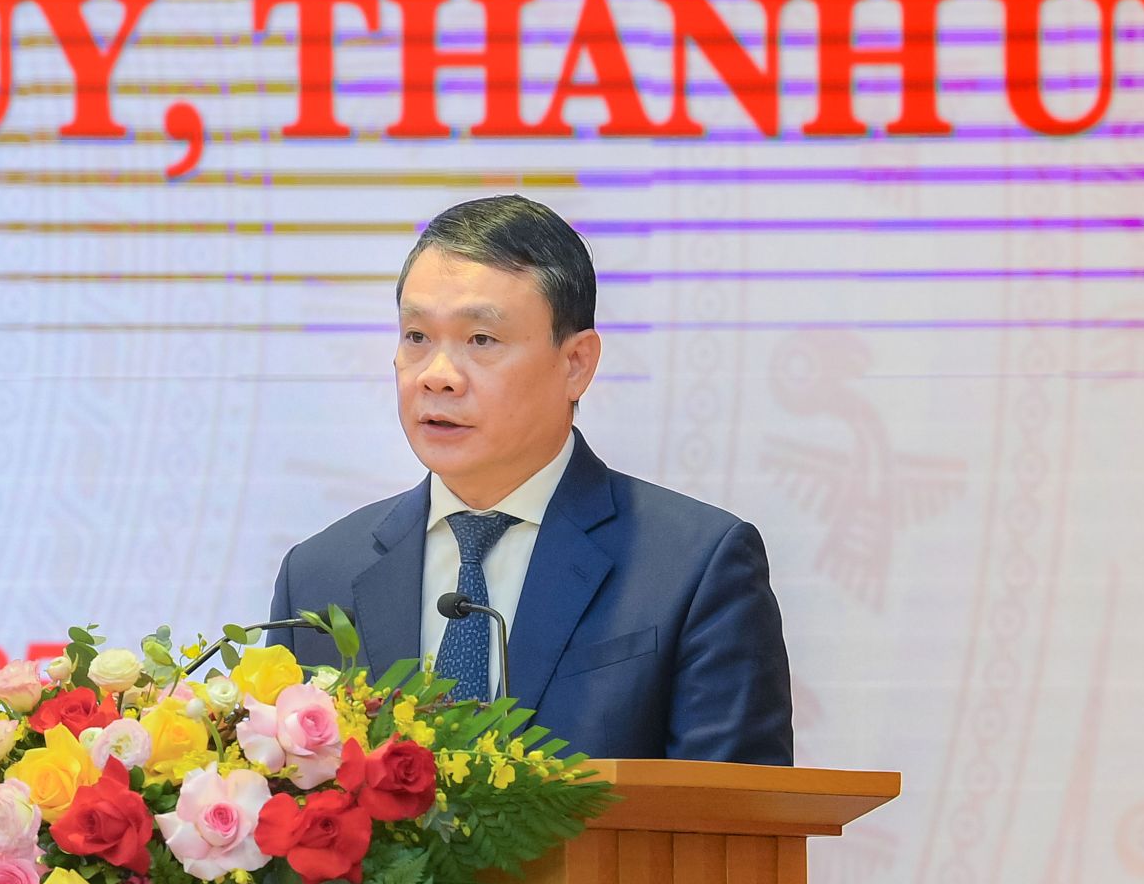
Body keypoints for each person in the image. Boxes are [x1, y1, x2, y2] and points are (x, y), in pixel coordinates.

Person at [267, 195, 792, 765]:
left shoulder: (695, 568)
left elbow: (731, 814)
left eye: (481, 340)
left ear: (576, 364)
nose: (437, 376)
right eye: (416, 337)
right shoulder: (319, 577)